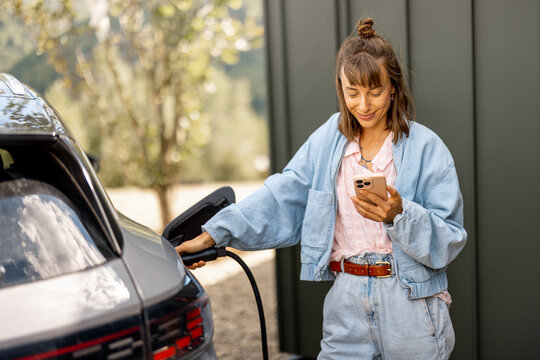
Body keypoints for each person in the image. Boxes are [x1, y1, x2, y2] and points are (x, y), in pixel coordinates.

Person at [177, 17, 467, 360]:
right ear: (340, 89)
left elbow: (450, 237)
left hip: (411, 306)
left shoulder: (427, 147)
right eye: (352, 92)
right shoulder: (329, 141)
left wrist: (401, 214)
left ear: (394, 88)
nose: (364, 104)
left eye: (375, 91)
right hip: (346, 303)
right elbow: (283, 195)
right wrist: (215, 233)